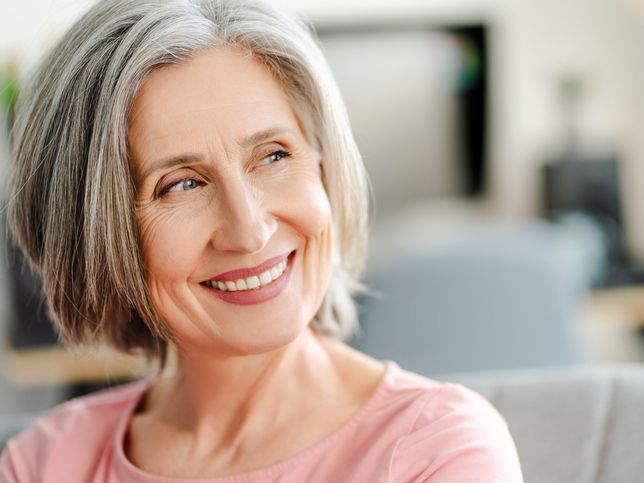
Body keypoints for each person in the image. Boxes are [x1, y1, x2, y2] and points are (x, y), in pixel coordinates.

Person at [0, 0, 523, 481]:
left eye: (273, 155)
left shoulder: (439, 451)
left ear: (323, 165)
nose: (250, 231)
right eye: (181, 184)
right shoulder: (44, 463)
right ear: (97, 237)